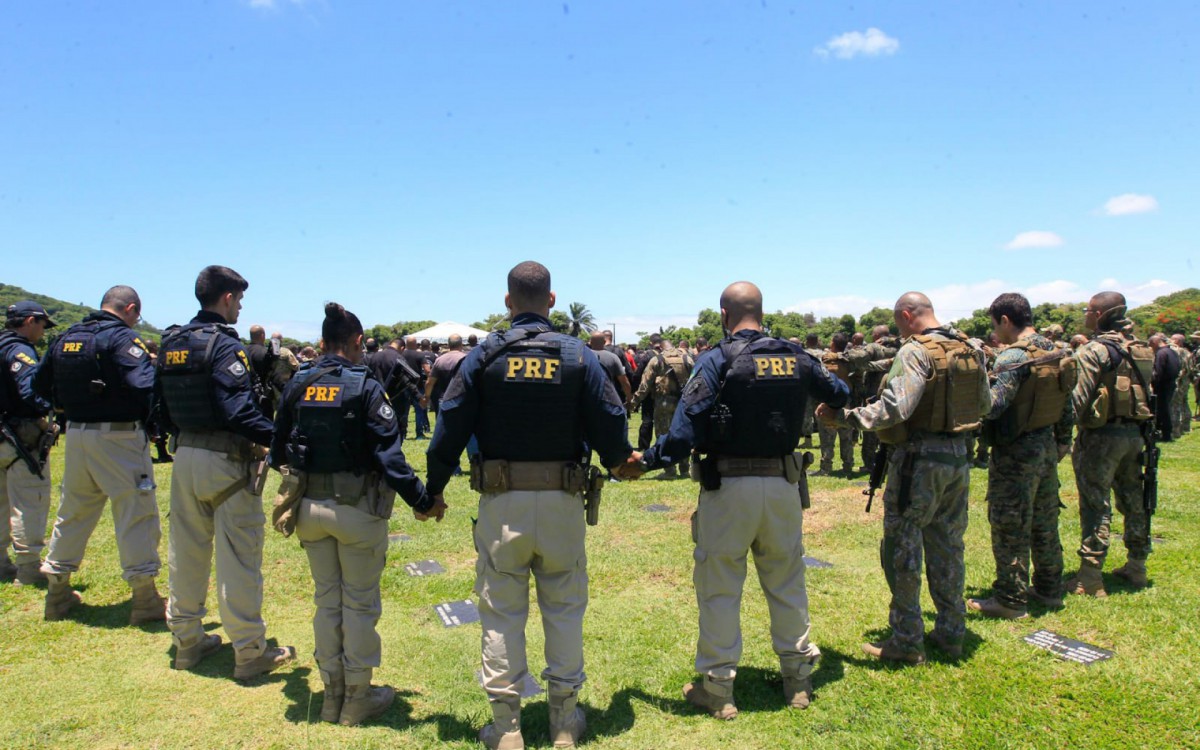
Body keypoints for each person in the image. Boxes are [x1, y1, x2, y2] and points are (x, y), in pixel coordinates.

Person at [618, 281, 848, 718]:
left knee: (720, 587)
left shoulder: (717, 360)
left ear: (723, 314)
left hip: (728, 487)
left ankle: (719, 688)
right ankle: (797, 680)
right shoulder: (796, 356)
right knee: (786, 581)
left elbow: (683, 433)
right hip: (783, 485)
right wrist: (826, 409)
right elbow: (839, 393)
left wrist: (644, 460)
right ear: (762, 312)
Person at [425, 261, 631, 749]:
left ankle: (507, 729)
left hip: (502, 502)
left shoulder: (484, 356)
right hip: (562, 500)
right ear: (553, 301)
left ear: (507, 302)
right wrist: (623, 461)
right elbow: (610, 426)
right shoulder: (580, 356)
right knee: (564, 609)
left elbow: (448, 426)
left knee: (500, 613)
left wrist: (432, 492)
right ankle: (563, 721)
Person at [272, 303, 437, 726]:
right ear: (358, 343)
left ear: (324, 342)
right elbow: (390, 458)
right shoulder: (364, 386)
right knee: (360, 605)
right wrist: (423, 501)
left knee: (327, 600)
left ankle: (332, 695)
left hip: (308, 507)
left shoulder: (297, 383)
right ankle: (358, 696)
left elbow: (277, 451)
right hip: (357, 510)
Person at [816, 292, 989, 663]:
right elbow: (986, 405)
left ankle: (907, 641)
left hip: (918, 462)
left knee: (903, 549)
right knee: (949, 546)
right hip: (959, 459)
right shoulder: (970, 348)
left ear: (907, 315)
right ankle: (951, 632)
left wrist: (845, 417)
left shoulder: (916, 351)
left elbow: (897, 407)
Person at [157, 266, 296, 679]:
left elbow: (159, 406)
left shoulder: (172, 342)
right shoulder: (223, 345)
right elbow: (238, 411)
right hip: (226, 461)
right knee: (238, 555)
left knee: (186, 550)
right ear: (227, 298)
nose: (240, 307)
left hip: (185, 455)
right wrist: (282, 439)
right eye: (238, 299)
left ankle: (186, 641)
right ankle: (250, 651)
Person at [33, 286, 166, 623]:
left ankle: (58, 591)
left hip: (76, 433)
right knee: (135, 511)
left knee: (73, 511)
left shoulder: (66, 337)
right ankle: (145, 597)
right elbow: (145, 385)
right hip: (119, 436)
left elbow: (39, 384)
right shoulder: (121, 339)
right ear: (132, 309)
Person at [967, 293, 1073, 619]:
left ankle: (1010, 599)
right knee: (1044, 520)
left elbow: (994, 406)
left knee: (1010, 524)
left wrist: (978, 376)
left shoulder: (1013, 357)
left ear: (1005, 320)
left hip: (1015, 450)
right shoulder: (1055, 351)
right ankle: (1049, 588)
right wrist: (1063, 441)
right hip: (1046, 444)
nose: (995, 333)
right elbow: (1067, 401)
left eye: (995, 326)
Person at [1067, 292, 1155, 595]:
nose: (1085, 316)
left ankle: (1090, 576)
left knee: (1096, 504)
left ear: (1100, 314)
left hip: (1101, 437)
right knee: (1135, 499)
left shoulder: (1095, 350)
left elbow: (1077, 398)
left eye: (1088, 311)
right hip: (1135, 434)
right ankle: (1137, 565)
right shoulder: (1142, 348)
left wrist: (1062, 434)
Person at [0, 301, 56, 585]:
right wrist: (53, 407)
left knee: (0, 502)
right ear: (30, 321)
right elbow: (29, 391)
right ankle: (29, 567)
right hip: (19, 435)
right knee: (28, 501)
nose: (42, 332)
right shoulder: (20, 351)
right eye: (42, 325)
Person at [628, 336, 694, 478]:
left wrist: (634, 402)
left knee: (663, 435)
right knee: (682, 434)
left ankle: (669, 470)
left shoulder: (657, 360)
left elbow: (645, 385)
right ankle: (684, 469)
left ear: (661, 348)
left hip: (664, 403)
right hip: (683, 401)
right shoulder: (686, 358)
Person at [845, 325, 900, 471]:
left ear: (876, 336)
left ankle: (869, 465)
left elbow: (858, 360)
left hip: (874, 393)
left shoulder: (874, 347)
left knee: (870, 431)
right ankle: (888, 463)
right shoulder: (900, 347)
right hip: (894, 392)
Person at [817, 333, 856, 476]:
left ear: (833, 343)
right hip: (846, 401)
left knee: (827, 437)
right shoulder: (850, 359)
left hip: (828, 401)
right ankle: (848, 466)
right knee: (846, 436)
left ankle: (826, 468)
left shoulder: (824, 358)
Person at [422, 334, 468, 414]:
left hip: (444, 400)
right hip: (464, 400)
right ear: (461, 345)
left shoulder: (440, 360)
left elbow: (429, 382)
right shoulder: (468, 359)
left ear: (448, 345)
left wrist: (426, 398)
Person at [1149, 334, 1180, 442]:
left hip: (1162, 385)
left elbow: (1158, 371)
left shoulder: (1161, 353)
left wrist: (1153, 383)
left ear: (1155, 343)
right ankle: (1164, 432)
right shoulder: (1173, 352)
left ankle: (1166, 434)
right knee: (1165, 408)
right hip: (1171, 383)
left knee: (1162, 410)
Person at [589, 332, 631, 402]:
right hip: (609, 397)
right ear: (604, 342)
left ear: (590, 342)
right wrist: (629, 398)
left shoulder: (582, 356)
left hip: (588, 397)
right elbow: (624, 381)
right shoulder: (613, 357)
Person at [403, 336, 432, 438]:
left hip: (403, 385)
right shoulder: (419, 355)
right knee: (419, 410)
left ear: (406, 344)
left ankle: (403, 433)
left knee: (404, 411)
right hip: (417, 386)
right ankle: (419, 433)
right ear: (416, 344)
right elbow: (427, 370)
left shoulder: (400, 354)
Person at [1170, 333, 1194, 437]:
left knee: (1176, 405)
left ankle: (1176, 429)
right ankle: (1186, 426)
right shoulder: (1188, 352)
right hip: (1186, 381)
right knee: (1184, 402)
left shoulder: (1177, 352)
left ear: (1177, 341)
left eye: (1172, 339)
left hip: (1179, 380)